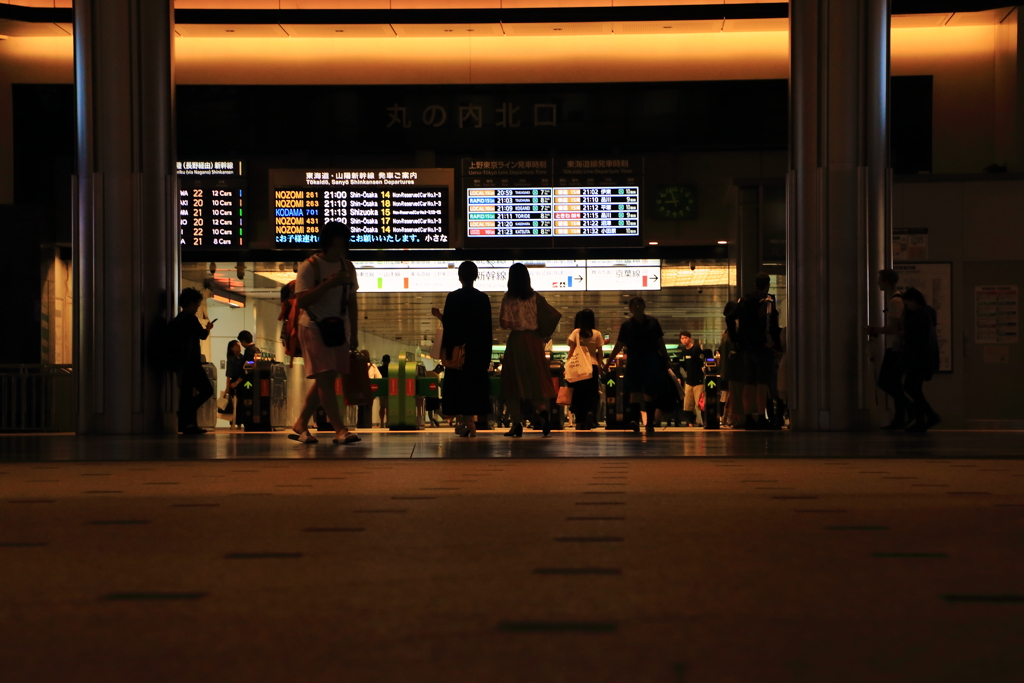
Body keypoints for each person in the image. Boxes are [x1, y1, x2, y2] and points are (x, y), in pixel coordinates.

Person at [288, 225, 361, 445]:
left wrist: (354, 332)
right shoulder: (310, 267)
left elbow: (352, 302)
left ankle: (300, 423)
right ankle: (340, 430)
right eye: (335, 245)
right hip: (313, 326)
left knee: (327, 377)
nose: (339, 249)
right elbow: (301, 300)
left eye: (343, 245)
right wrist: (329, 284)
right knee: (325, 376)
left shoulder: (347, 267)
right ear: (326, 244)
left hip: (338, 328)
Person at [431, 261, 493, 437]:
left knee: (458, 388)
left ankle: (462, 423)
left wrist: (439, 316)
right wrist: (486, 355)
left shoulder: (453, 297)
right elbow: (487, 328)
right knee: (474, 388)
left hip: (457, 352)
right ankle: (470, 422)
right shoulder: (483, 299)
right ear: (476, 276)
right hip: (477, 352)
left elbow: (450, 325)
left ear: (459, 277)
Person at [499, 263, 561, 437]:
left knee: (513, 384)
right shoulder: (536, 297)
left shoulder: (509, 298)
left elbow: (504, 324)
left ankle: (516, 424)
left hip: (517, 341)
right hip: (535, 342)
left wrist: (515, 322)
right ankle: (542, 412)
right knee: (534, 381)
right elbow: (552, 315)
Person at [608, 297, 672, 435]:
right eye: (634, 305)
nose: (637, 307)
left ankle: (649, 423)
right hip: (634, 360)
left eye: (639, 305)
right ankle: (635, 421)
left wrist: (666, 358)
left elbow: (660, 342)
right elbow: (619, 344)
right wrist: (609, 361)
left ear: (644, 306)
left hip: (650, 359)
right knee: (634, 391)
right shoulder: (626, 325)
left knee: (649, 392)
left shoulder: (653, 322)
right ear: (630, 309)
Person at [726, 273, 781, 430]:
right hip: (762, 346)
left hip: (746, 347)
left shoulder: (743, 300)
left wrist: (735, 337)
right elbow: (771, 324)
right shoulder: (767, 301)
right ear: (767, 284)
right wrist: (772, 343)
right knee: (762, 383)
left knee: (749, 383)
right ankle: (760, 417)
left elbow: (729, 317)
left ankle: (749, 418)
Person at [864, 269, 907, 429]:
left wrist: (874, 330)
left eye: (880, 280)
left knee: (885, 382)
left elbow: (892, 328)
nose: (878, 283)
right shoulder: (898, 299)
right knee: (894, 383)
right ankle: (900, 418)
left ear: (886, 282)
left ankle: (908, 411)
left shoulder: (894, 302)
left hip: (894, 348)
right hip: (896, 347)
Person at [168, 287, 214, 435]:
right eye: (197, 305)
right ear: (191, 303)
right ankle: (186, 415)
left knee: (186, 393)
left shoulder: (176, 320)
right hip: (192, 363)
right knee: (207, 390)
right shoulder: (190, 318)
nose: (197, 308)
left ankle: (187, 425)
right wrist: (208, 328)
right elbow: (202, 335)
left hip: (180, 363)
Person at [898, 287, 941, 432]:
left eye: (907, 304)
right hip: (925, 358)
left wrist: (904, 334)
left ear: (913, 301)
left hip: (918, 359)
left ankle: (929, 416)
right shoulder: (928, 313)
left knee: (911, 387)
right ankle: (922, 421)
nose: (907, 307)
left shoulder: (920, 315)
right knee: (914, 388)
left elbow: (916, 337)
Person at [566, 309, 605, 431]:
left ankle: (580, 420)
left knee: (578, 394)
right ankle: (590, 412)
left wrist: (567, 366)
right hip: (592, 367)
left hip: (578, 368)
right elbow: (600, 353)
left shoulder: (576, 333)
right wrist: (599, 366)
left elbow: (571, 352)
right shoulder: (597, 334)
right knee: (592, 393)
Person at [678, 331, 709, 428]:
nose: (684, 340)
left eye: (685, 338)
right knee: (688, 403)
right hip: (689, 381)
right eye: (682, 338)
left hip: (698, 381)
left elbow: (701, 362)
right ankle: (690, 422)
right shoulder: (683, 351)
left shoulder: (696, 349)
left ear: (690, 338)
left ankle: (704, 422)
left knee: (700, 403)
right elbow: (682, 364)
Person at [224, 339, 244, 428]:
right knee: (234, 404)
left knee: (241, 403)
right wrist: (227, 387)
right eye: (236, 345)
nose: (239, 346)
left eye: (239, 345)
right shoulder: (231, 359)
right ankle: (233, 422)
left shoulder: (243, 357)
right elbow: (228, 374)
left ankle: (239, 423)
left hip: (243, 381)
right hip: (234, 381)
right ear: (231, 348)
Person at [377, 354, 390, 428]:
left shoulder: (379, 369)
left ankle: (381, 422)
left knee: (382, 406)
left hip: (381, 389)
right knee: (388, 406)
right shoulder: (391, 369)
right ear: (389, 361)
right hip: (389, 389)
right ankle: (388, 421)